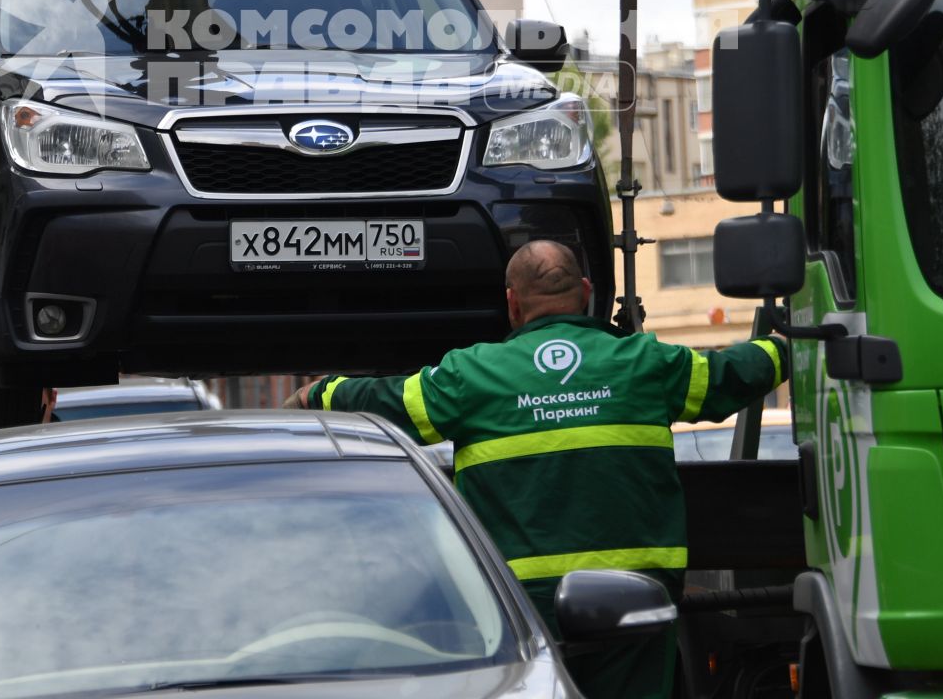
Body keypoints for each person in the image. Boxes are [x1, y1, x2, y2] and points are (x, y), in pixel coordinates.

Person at [288, 239, 788, 699]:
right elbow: (732, 376)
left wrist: (320, 392)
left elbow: (389, 401)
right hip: (635, 595)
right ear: (587, 294)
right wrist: (789, 346)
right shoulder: (644, 362)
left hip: (517, 606)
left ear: (512, 303)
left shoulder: (473, 374)